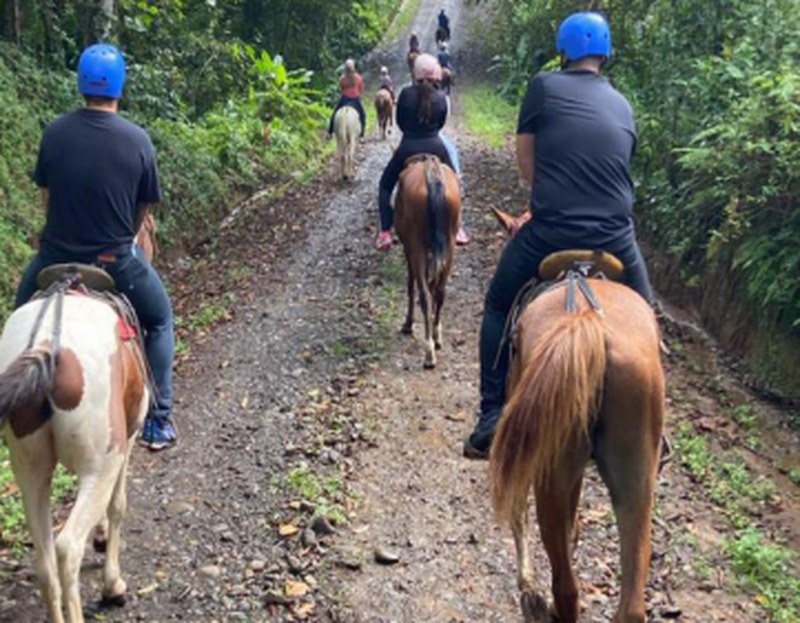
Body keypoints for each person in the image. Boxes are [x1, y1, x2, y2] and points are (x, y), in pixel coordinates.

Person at [464, 11, 655, 459]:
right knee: (647, 321)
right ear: (605, 53)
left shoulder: (543, 87)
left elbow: (527, 165)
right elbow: (615, 168)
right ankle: (654, 433)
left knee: (497, 305)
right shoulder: (623, 104)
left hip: (551, 231)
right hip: (616, 236)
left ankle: (491, 416)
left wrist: (547, 198)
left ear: (564, 51)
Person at [15, 43, 177, 451]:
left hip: (54, 257)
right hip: (115, 261)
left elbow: (48, 199)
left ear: (81, 83)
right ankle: (159, 418)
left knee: (18, 317)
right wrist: (124, 241)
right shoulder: (138, 140)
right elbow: (143, 209)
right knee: (160, 319)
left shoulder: (54, 132)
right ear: (120, 86)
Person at [376, 54, 456, 250]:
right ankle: (458, 227)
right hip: (436, 146)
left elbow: (400, 122)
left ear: (416, 75)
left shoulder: (405, 94)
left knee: (385, 185)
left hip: (408, 146)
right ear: (435, 76)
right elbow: (441, 123)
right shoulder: (441, 97)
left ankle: (385, 231)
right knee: (455, 181)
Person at [328, 59, 366, 141]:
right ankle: (362, 136)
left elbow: (341, 89)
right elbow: (361, 90)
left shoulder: (342, 78)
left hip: (344, 99)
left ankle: (330, 132)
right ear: (353, 68)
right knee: (362, 115)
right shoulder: (358, 78)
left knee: (334, 114)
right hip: (355, 99)